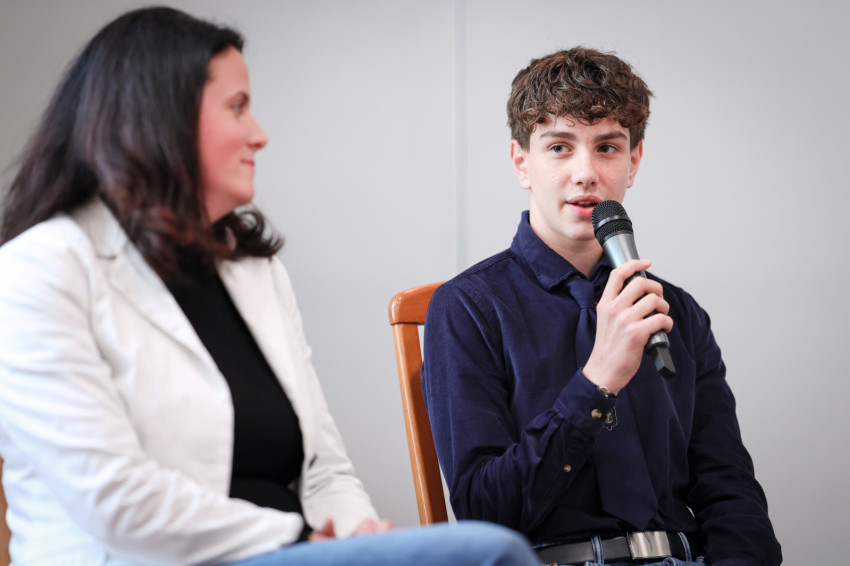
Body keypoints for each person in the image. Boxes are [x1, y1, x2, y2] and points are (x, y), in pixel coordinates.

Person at [0, 7, 541, 566]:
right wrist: (300, 540)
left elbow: (325, 471)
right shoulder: (38, 271)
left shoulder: (254, 271)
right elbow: (116, 501)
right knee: (489, 553)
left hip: (287, 551)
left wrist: (359, 536)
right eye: (237, 107)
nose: (259, 135)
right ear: (159, 119)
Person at [422, 47, 782, 566]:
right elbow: (484, 513)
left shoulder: (676, 311)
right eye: (559, 147)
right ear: (522, 162)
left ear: (633, 162)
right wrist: (598, 381)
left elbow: (730, 492)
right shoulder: (468, 307)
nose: (586, 173)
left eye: (608, 147)